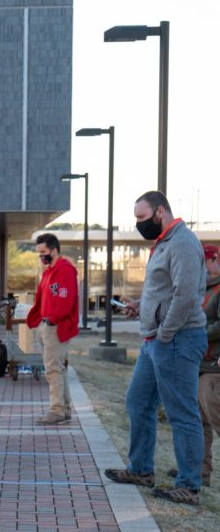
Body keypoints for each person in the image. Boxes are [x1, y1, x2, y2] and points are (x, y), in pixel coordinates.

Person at [106, 191, 207, 505]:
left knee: (182, 414)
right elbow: (165, 292)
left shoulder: (182, 243)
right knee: (137, 402)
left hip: (176, 340)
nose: (138, 223)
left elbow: (187, 296)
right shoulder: (163, 243)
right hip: (155, 342)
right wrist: (142, 307)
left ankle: (189, 485)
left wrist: (164, 332)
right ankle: (141, 470)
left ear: (160, 211)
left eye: (141, 216)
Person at [168, 244, 220, 488]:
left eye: (205, 261)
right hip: (200, 361)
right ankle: (200, 472)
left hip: (214, 366)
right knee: (201, 422)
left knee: (214, 418)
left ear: (214, 260)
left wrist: (196, 332)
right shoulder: (202, 287)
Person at [26, 233, 79, 425]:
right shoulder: (49, 271)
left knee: (52, 370)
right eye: (39, 253)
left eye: (43, 252)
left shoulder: (65, 270)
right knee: (58, 369)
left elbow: (65, 301)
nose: (41, 256)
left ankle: (56, 410)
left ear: (54, 250)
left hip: (56, 327)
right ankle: (63, 410)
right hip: (48, 325)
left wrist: (51, 320)